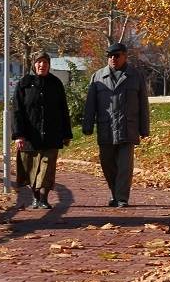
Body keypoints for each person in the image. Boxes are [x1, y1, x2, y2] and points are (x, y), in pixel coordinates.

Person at [82, 42, 150, 208]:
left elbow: (143, 104)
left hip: (128, 128)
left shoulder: (135, 76)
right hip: (106, 129)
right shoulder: (97, 76)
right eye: (110, 56)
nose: (113, 58)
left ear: (124, 56)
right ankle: (115, 193)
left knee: (125, 167)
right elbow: (90, 105)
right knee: (107, 164)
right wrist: (87, 125)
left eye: (117, 55)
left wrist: (144, 128)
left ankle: (121, 198)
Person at [12, 51, 72, 209]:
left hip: (52, 134)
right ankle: (35, 197)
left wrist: (66, 134)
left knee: (47, 167)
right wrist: (19, 135)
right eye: (39, 62)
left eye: (45, 62)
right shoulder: (23, 84)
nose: (42, 65)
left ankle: (44, 198)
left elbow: (63, 110)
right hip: (30, 135)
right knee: (30, 168)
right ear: (33, 64)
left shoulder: (55, 83)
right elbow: (17, 111)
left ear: (49, 65)